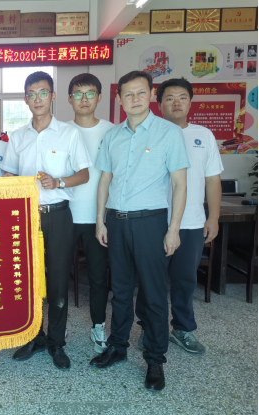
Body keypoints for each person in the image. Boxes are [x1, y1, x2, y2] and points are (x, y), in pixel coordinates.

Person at [90, 71, 189, 392]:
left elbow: (180, 184)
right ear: (119, 99)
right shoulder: (113, 136)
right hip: (117, 222)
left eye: (140, 92)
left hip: (151, 222)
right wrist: (100, 221)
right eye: (128, 94)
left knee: (154, 293)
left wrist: (173, 229)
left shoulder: (168, 133)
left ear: (151, 95)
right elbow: (105, 180)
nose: (135, 99)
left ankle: (155, 359)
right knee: (120, 291)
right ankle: (118, 347)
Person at [1, 71, 91, 370]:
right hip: (26, 218)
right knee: (28, 278)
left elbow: (84, 173)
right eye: (32, 93)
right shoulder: (17, 136)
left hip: (59, 215)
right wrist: (11, 181)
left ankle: (56, 341)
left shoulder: (69, 133)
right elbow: (10, 174)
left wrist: (59, 182)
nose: (37, 98)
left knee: (57, 279)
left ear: (52, 96)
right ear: (25, 99)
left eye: (43, 92)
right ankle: (34, 336)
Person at [136, 78, 223, 355]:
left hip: (192, 222)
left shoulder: (204, 135)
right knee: (150, 279)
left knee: (185, 279)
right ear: (159, 103)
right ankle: (149, 326)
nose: (176, 103)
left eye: (182, 97)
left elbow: (212, 180)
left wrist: (213, 217)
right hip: (153, 221)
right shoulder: (147, 133)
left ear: (190, 102)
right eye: (170, 98)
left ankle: (183, 328)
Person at [66, 74, 115, 354]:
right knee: (58, 275)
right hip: (65, 216)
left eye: (90, 93)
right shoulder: (61, 131)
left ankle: (98, 326)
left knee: (98, 277)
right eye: (78, 93)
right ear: (69, 99)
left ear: (99, 97)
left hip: (100, 218)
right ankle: (57, 327)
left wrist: (104, 217)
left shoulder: (112, 131)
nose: (84, 99)